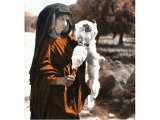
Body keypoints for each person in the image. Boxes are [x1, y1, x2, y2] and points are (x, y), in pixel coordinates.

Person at [29, 3, 90, 119]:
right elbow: (39, 76)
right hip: (55, 99)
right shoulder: (47, 44)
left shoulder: (67, 38)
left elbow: (79, 52)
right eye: (61, 19)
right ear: (51, 19)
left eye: (67, 20)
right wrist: (61, 80)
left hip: (69, 95)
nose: (65, 23)